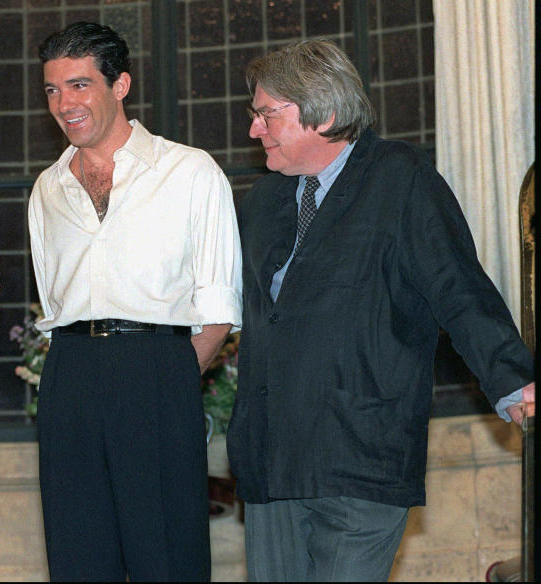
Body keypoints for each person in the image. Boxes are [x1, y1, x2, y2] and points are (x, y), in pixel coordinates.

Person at [229, 39, 536, 582]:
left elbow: (458, 288)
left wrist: (512, 381)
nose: (254, 129)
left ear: (320, 114)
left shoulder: (401, 179)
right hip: (271, 461)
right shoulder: (261, 202)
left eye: (265, 113)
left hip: (360, 454)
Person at [29, 22, 242, 581]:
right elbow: (51, 296)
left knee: (166, 558)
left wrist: (164, 374)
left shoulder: (190, 171)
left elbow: (219, 306)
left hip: (157, 367)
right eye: (52, 90)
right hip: (69, 374)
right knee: (78, 558)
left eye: (78, 85)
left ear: (120, 85)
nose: (64, 104)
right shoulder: (46, 188)